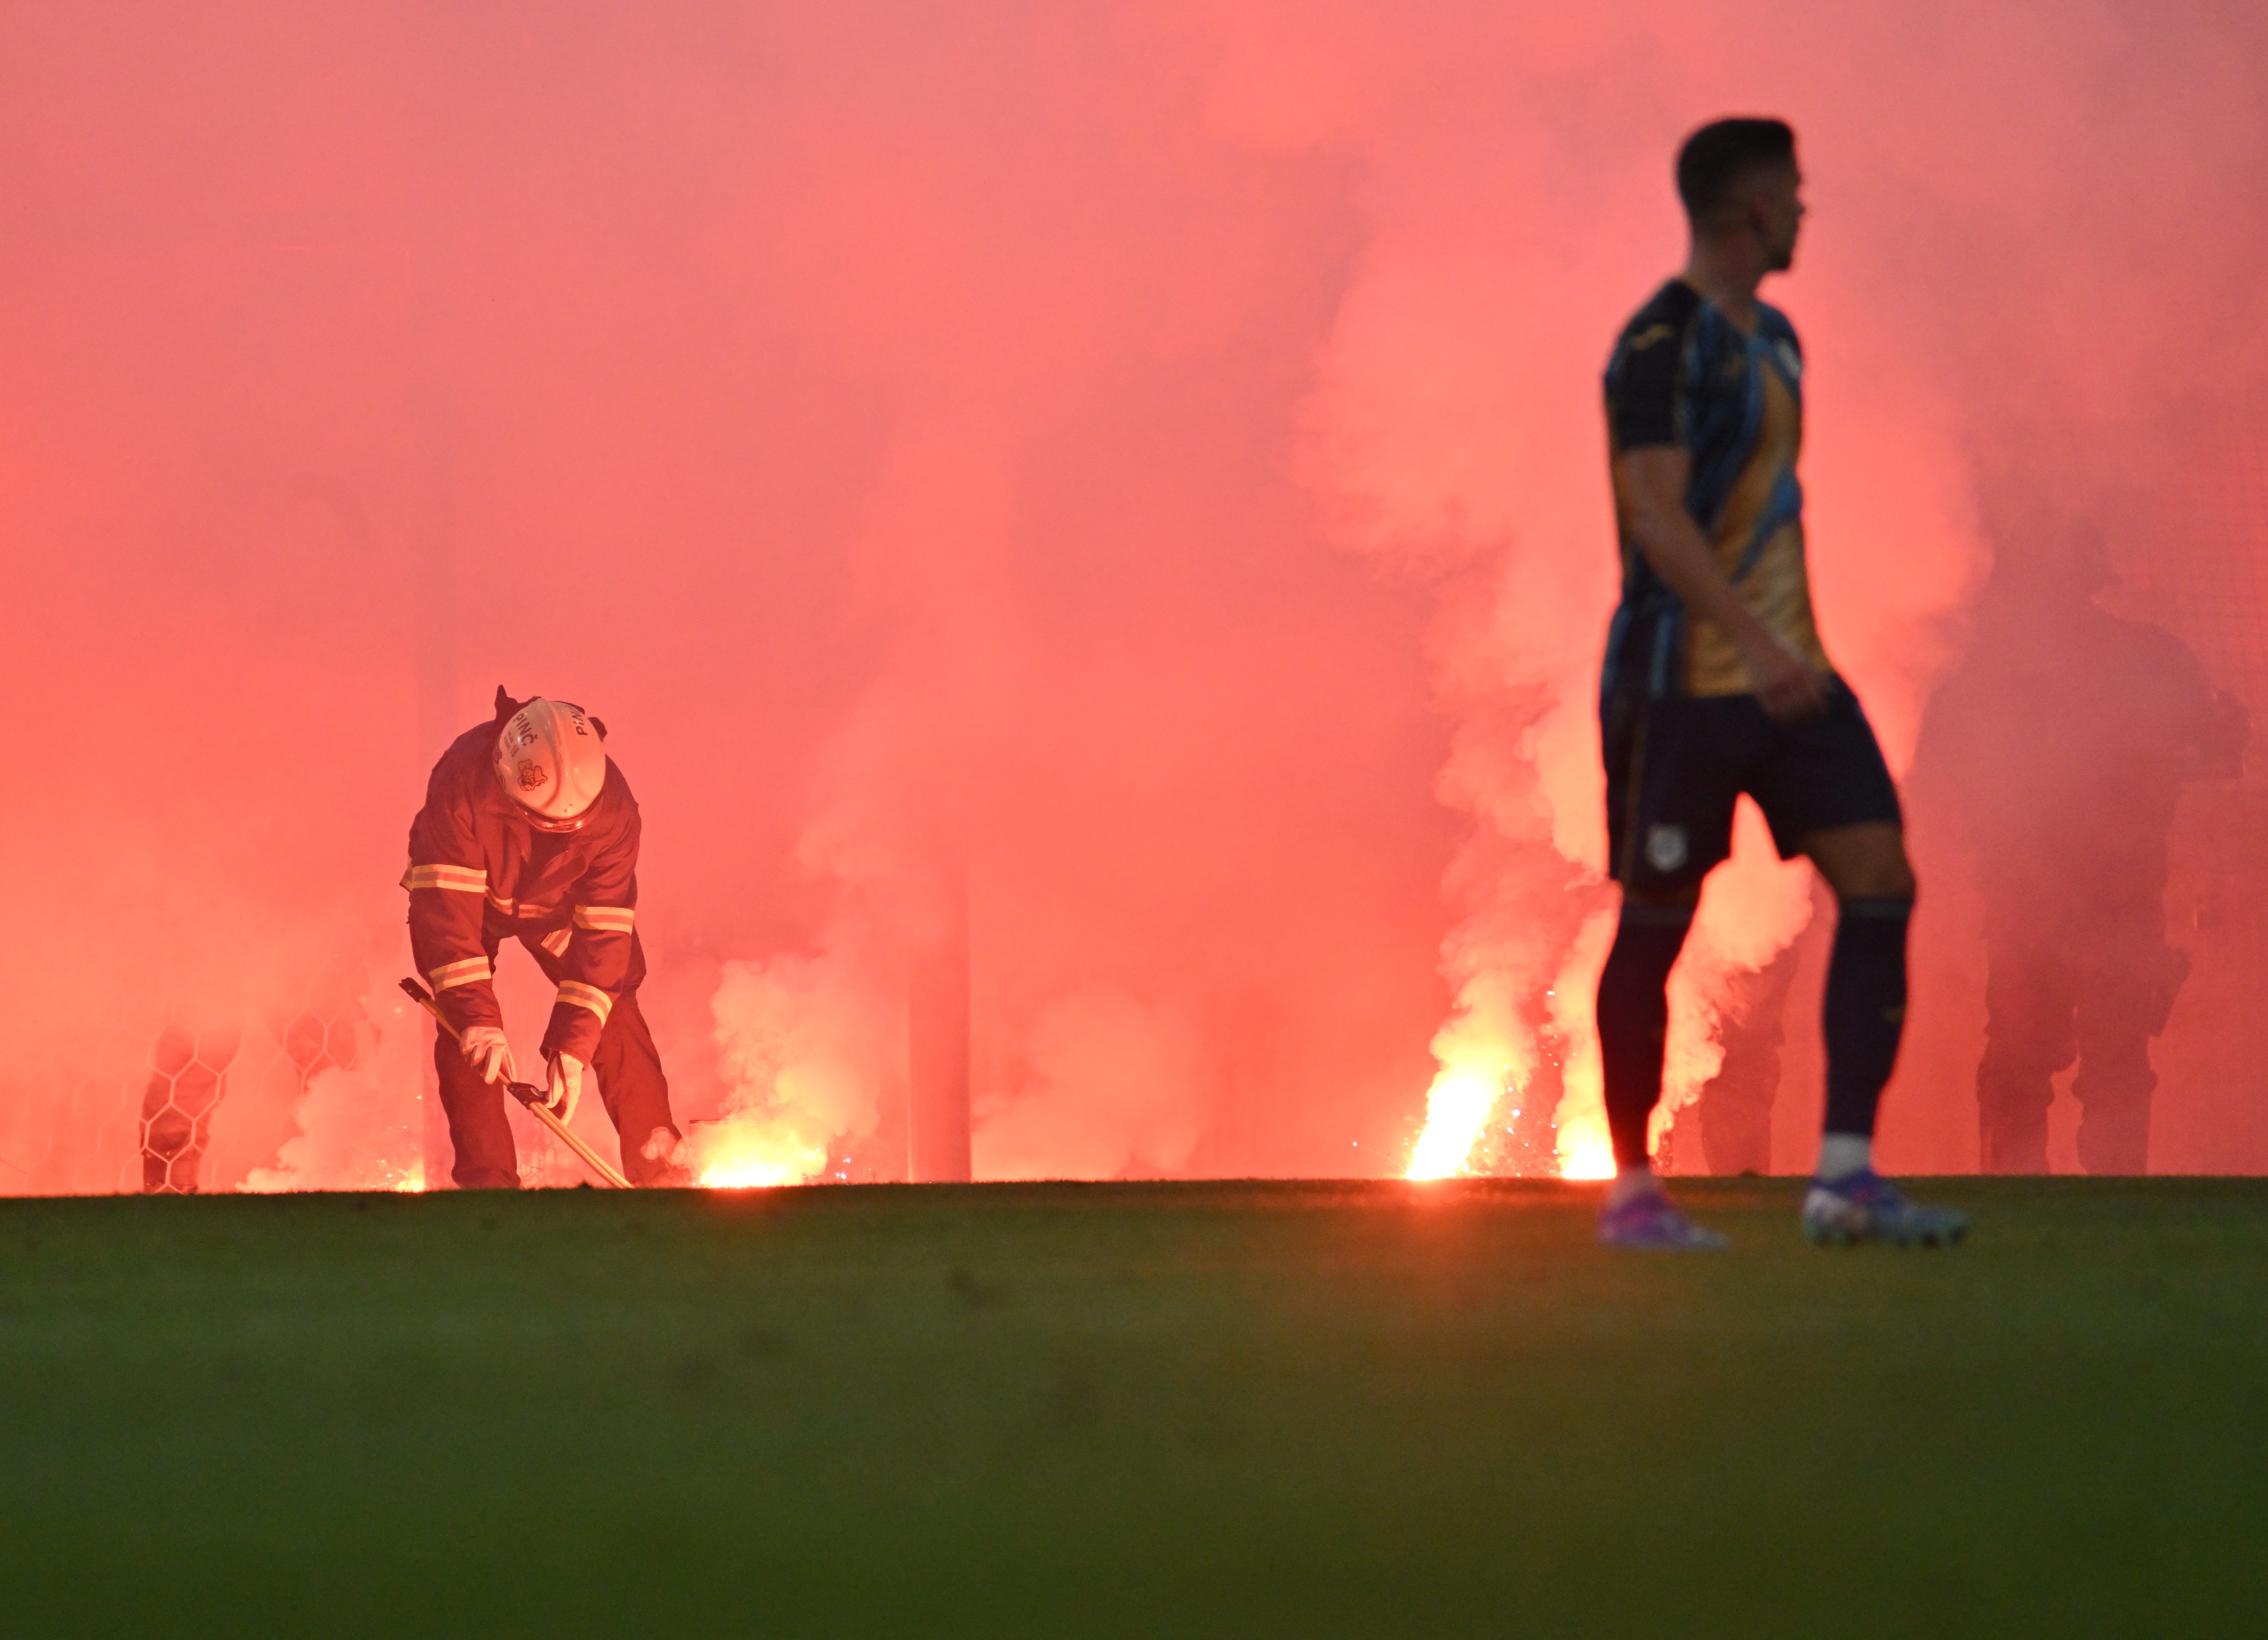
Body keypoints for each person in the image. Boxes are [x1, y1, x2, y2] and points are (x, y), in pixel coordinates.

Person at [1592, 117, 1964, 1248]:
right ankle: (1632, 1193)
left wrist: (1785, 646)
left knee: (1881, 875)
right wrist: (1750, 639)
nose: (1805, 211)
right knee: (1656, 923)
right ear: (1751, 208)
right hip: (1683, 681)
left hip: (1791, 675)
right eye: (1793, 193)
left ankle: (1843, 1179)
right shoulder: (1660, 346)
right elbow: (1654, 515)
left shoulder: (1782, 341)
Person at [1914, 525, 2246, 1172]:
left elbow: (1930, 770)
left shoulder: (1983, 671)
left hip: (2033, 897)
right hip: (2108, 896)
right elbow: (2217, 757)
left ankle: (2015, 1206)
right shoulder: (2152, 660)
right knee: (2110, 1061)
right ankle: (2114, 1204)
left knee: (2024, 1063)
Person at [405, 687, 688, 1188]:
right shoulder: (460, 784)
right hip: (474, 903)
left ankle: (660, 1174)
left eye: (572, 827)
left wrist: (574, 1049)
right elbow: (447, 918)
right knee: (467, 1030)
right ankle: (489, 1187)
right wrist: (477, 1018)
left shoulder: (616, 813)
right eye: (544, 824)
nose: (560, 835)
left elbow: (604, 931)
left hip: (556, 912)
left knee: (613, 1005)